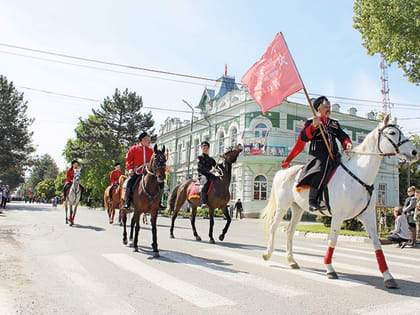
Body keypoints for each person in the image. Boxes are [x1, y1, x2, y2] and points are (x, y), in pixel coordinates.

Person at [282, 96, 352, 212]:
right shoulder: (311, 121)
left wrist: (347, 143)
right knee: (320, 169)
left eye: (329, 107)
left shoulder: (334, 123)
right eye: (326, 107)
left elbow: (342, 135)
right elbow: (304, 137)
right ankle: (312, 201)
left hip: (334, 155)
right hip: (318, 156)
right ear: (319, 109)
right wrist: (313, 126)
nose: (328, 109)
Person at [123, 132, 154, 209]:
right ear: (142, 140)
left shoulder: (151, 151)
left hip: (147, 172)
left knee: (157, 184)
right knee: (129, 183)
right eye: (148, 140)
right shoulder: (134, 149)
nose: (149, 141)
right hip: (137, 171)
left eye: (150, 140)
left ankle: (157, 203)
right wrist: (130, 169)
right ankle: (127, 202)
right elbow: (128, 160)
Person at [197, 141, 216, 208]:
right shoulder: (199, 158)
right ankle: (203, 202)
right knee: (205, 182)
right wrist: (209, 171)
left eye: (206, 148)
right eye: (204, 147)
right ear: (201, 148)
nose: (205, 149)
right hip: (202, 175)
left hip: (210, 175)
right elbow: (200, 168)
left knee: (217, 181)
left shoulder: (211, 159)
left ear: (208, 148)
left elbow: (216, 166)